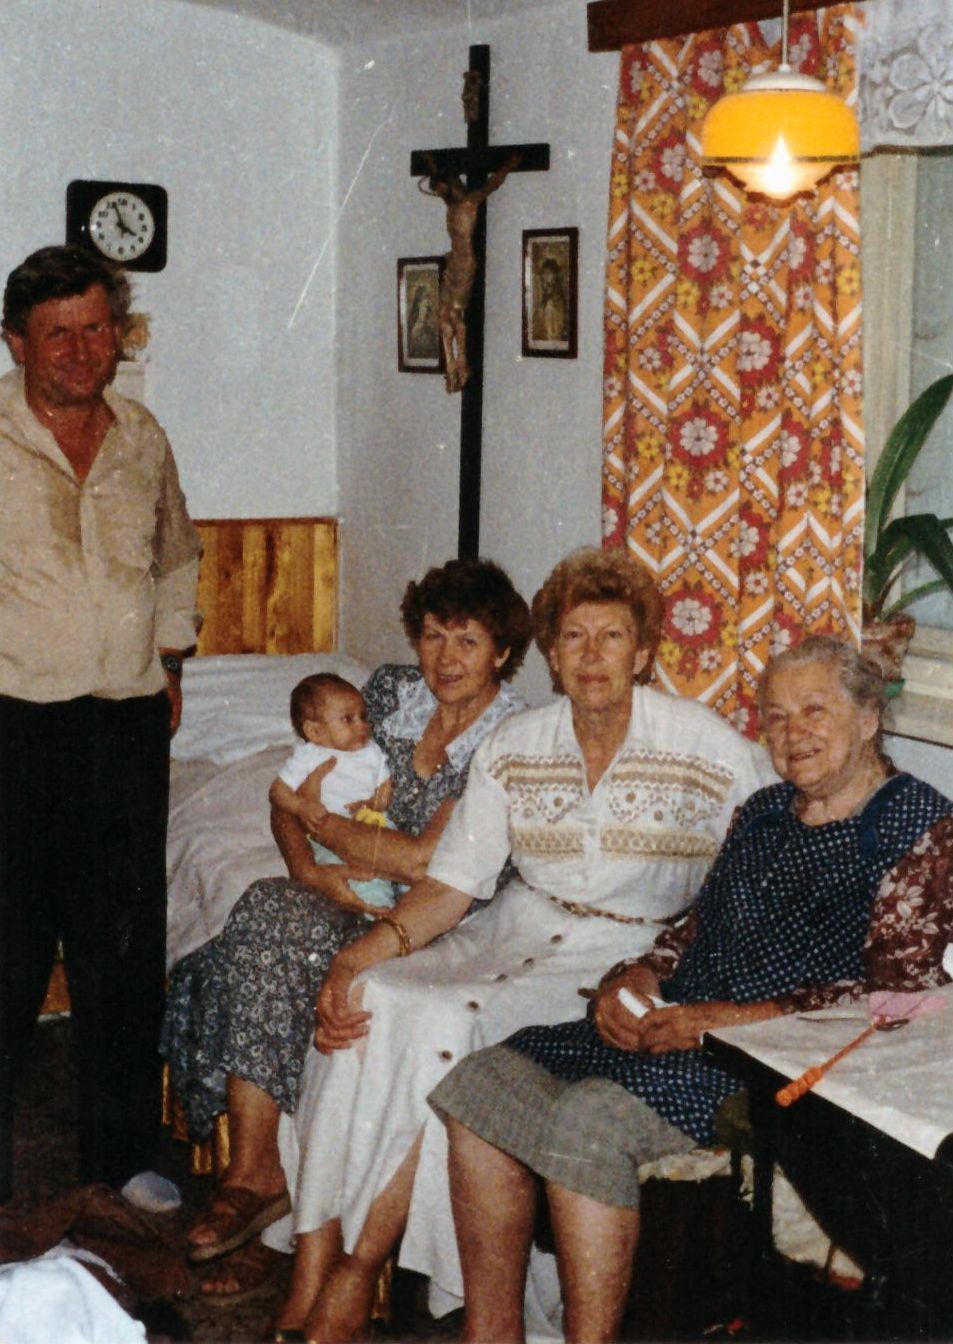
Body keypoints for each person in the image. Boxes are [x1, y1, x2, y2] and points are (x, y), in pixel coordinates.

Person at [272, 547, 775, 1342]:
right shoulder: (516, 745)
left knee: (449, 1024)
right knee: (374, 994)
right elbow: (452, 884)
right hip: (513, 924)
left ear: (643, 652)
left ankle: (360, 1269)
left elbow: (774, 843)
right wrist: (356, 957)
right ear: (550, 653)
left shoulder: (704, 744)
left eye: (612, 637)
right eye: (573, 637)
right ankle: (316, 1255)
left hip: (618, 957)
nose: (591, 655)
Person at [431, 635, 953, 1344]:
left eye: (814, 711)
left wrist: (728, 1022)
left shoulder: (914, 826)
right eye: (775, 717)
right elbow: (696, 925)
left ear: (867, 719)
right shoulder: (764, 811)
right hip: (680, 1025)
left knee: (590, 1118)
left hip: (768, 1065)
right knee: (482, 1080)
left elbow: (899, 999)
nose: (792, 733)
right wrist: (638, 975)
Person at [161, 557, 531, 1292]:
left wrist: (324, 825)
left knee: (307, 949)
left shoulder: (509, 734)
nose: (444, 658)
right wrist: (305, 866)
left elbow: (428, 862)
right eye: (432, 635)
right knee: (269, 909)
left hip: (449, 919)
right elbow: (287, 794)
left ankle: (297, 1236)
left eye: (467, 641)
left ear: (502, 653)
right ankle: (255, 1176)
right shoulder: (386, 694)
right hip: (356, 889)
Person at [0, 244, 200, 1201]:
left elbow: (176, 556)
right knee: (6, 955)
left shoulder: (142, 436)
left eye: (97, 328)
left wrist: (170, 657)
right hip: (13, 729)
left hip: (121, 730)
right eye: (58, 334)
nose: (82, 351)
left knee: (120, 951)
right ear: (15, 342)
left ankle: (120, 1167)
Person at [270, 673, 395, 911]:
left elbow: (385, 787)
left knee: (403, 868)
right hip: (329, 833)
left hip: (373, 823)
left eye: (363, 717)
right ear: (314, 732)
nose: (362, 726)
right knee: (363, 878)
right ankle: (376, 911)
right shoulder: (309, 755)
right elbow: (278, 791)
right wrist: (302, 807)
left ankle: (411, 902)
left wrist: (373, 802)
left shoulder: (372, 752)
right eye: (348, 719)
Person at [420, 151, 520, 392]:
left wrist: (508, 165)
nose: (440, 194)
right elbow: (439, 179)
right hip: (453, 263)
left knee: (455, 316)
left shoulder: (469, 203)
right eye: (438, 191)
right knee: (442, 316)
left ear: (452, 185)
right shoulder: (452, 205)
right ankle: (451, 365)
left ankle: (461, 365)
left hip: (465, 265)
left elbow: (492, 185)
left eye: (442, 189)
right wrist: (430, 163)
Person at [532, 256, 568, 345]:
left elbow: (555, 334)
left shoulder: (557, 303)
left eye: (548, 273)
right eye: (543, 274)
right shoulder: (544, 302)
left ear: (555, 277)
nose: (545, 278)